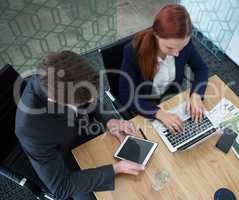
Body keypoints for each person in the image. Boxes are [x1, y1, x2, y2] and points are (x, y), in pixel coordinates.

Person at [15, 51, 144, 200]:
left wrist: (109, 120)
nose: (94, 100)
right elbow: (61, 188)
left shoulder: (62, 71)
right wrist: (116, 169)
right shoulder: (30, 129)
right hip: (64, 161)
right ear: (54, 99)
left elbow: (90, 99)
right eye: (84, 101)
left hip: (82, 133)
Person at [119, 4, 209, 133]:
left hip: (171, 99)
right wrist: (159, 113)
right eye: (170, 48)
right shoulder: (133, 51)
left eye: (181, 47)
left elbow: (201, 69)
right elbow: (126, 94)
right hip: (144, 104)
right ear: (156, 35)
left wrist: (196, 94)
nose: (177, 53)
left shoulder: (184, 43)